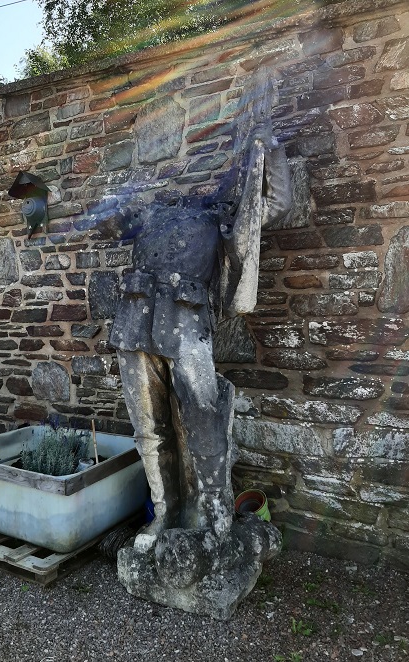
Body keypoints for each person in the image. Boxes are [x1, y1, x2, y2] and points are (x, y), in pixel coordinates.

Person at [78, 116, 292, 549]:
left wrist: (270, 149)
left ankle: (215, 512)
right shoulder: (150, 213)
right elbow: (103, 225)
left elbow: (274, 205)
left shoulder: (222, 217)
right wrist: (112, 200)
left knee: (205, 423)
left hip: (188, 328)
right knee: (148, 430)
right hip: (134, 325)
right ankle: (163, 513)